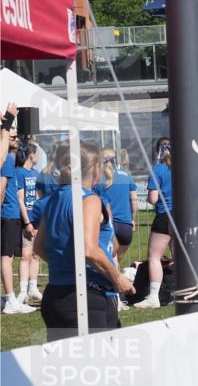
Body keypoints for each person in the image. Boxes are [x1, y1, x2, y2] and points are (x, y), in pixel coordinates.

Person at [35, 142, 135, 339]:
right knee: (97, 366)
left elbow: (39, 247)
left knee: (67, 366)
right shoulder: (89, 200)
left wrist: (66, 263)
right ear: (95, 168)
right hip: (85, 298)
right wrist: (117, 278)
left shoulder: (53, 199)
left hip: (56, 295)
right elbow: (89, 249)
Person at [135, 137, 173, 308]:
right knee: (179, 257)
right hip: (183, 216)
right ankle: (179, 290)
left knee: (155, 257)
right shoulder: (184, 166)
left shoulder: (158, 169)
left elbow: (152, 198)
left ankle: (154, 296)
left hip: (165, 215)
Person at [0, 133, 32, 313]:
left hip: (9, 214)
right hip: (8, 214)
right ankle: (11, 300)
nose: (16, 138)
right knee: (6, 257)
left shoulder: (9, 159)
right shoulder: (7, 160)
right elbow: (2, 188)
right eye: (11, 135)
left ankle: (9, 298)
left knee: (7, 257)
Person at [95, 148, 139, 267]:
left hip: (106, 225)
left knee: (107, 261)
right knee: (116, 260)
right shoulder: (126, 176)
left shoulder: (97, 178)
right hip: (125, 225)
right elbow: (134, 200)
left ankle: (111, 281)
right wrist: (133, 219)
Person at [15, 143, 42, 305]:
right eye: (37, 154)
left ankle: (33, 288)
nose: (38, 156)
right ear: (31, 155)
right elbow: (20, 200)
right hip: (27, 221)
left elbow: (38, 198)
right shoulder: (19, 173)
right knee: (25, 255)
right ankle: (23, 291)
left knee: (36, 254)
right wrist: (27, 222)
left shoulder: (36, 173)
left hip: (37, 220)